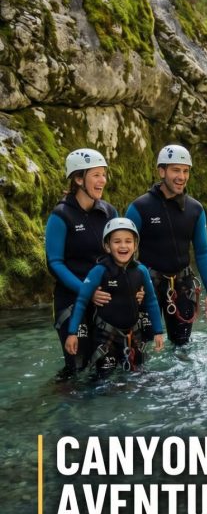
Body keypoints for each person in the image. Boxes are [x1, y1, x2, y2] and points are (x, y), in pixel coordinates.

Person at [125, 144, 207, 347]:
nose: (181, 177)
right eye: (176, 170)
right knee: (143, 346)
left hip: (182, 286)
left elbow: (203, 252)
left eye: (185, 171)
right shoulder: (139, 207)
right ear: (161, 171)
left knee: (182, 347)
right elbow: (122, 253)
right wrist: (128, 287)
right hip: (147, 285)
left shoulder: (195, 209)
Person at [45, 148, 117, 380]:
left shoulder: (109, 212)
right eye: (96, 175)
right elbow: (55, 263)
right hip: (71, 299)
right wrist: (87, 291)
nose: (102, 180)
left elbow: (122, 256)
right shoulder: (61, 215)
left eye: (104, 174)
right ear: (78, 179)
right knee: (78, 367)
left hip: (104, 298)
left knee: (107, 367)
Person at [64, 218, 164, 377]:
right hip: (105, 337)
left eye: (128, 241)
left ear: (135, 245)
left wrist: (158, 331)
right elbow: (81, 301)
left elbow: (151, 301)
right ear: (107, 246)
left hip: (134, 336)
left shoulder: (141, 271)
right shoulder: (99, 271)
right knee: (103, 381)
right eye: (117, 242)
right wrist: (72, 333)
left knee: (140, 377)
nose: (123, 246)